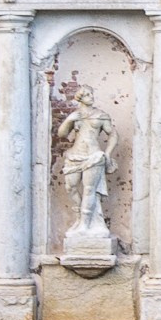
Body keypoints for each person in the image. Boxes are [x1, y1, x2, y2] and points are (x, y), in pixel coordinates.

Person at [56, 86, 118, 237]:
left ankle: (85, 224)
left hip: (93, 155)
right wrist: (69, 120)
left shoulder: (101, 116)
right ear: (80, 98)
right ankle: (79, 217)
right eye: (87, 95)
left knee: (89, 189)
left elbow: (113, 135)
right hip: (75, 155)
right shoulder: (75, 116)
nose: (91, 97)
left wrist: (107, 154)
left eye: (92, 94)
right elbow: (62, 134)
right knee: (71, 187)